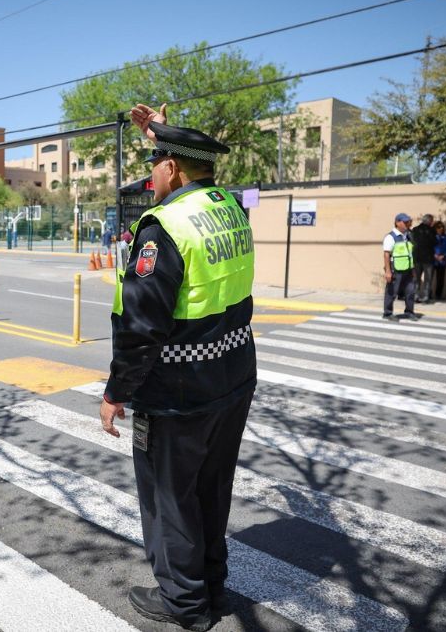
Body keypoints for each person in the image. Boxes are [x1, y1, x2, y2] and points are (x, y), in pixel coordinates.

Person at [101, 102, 255, 632]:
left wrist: (116, 390)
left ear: (172, 168)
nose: (149, 175)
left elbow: (142, 325)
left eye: (154, 164)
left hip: (178, 391)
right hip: (232, 380)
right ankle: (213, 586)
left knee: (170, 500)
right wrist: (159, 134)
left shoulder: (162, 226)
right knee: (213, 489)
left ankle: (185, 605)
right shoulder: (229, 208)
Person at [382, 212, 419, 320]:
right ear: (397, 223)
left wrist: (412, 270)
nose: (408, 224)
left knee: (410, 292)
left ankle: (409, 312)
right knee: (392, 292)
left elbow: (410, 254)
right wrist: (388, 271)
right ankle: (387, 313)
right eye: (405, 222)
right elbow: (386, 254)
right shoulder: (391, 237)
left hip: (408, 269)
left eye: (409, 221)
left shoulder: (408, 236)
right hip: (395, 269)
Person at [410, 214, 436, 304]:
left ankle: (416, 296)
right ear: (429, 221)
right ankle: (425, 297)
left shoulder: (415, 230)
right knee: (427, 279)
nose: (433, 222)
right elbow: (434, 242)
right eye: (432, 221)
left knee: (416, 278)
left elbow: (412, 242)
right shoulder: (432, 230)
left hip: (417, 258)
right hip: (428, 258)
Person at [432, 220, 446, 301]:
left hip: (442, 261)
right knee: (430, 278)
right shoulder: (432, 237)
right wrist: (434, 255)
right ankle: (428, 294)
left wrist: (444, 255)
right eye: (438, 227)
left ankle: (438, 295)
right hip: (433, 261)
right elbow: (429, 248)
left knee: (440, 279)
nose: (440, 229)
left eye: (442, 227)